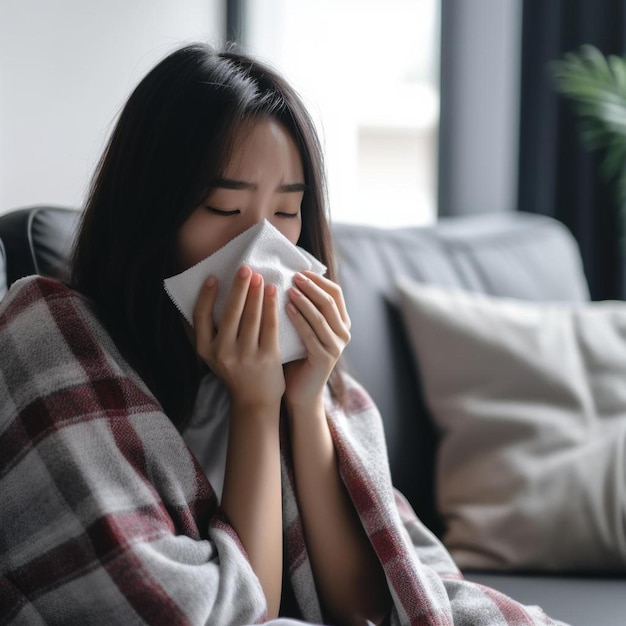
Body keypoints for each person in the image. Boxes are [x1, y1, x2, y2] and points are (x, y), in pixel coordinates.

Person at [0, 43, 566, 626]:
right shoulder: (51, 334)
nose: (262, 246)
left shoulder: (312, 375)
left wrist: (304, 402)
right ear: (147, 215)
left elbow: (365, 606)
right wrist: (254, 403)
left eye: (287, 213)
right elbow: (238, 615)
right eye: (225, 208)